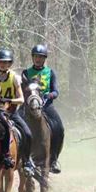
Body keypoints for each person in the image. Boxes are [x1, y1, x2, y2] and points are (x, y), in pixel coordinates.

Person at [22, 44, 64, 174]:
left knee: (59, 128)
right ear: (32, 57)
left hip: (46, 106)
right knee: (17, 126)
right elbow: (21, 89)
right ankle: (20, 158)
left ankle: (54, 159)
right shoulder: (26, 73)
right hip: (29, 106)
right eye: (36, 57)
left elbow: (56, 91)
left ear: (44, 58)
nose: (38, 59)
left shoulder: (50, 72)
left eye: (40, 57)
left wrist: (49, 95)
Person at [0, 49, 33, 175]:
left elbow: (21, 99)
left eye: (6, 62)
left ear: (10, 64)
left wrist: (9, 100)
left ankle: (27, 161)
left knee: (27, 133)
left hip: (11, 113)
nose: (3, 64)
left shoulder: (15, 78)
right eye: (1, 62)